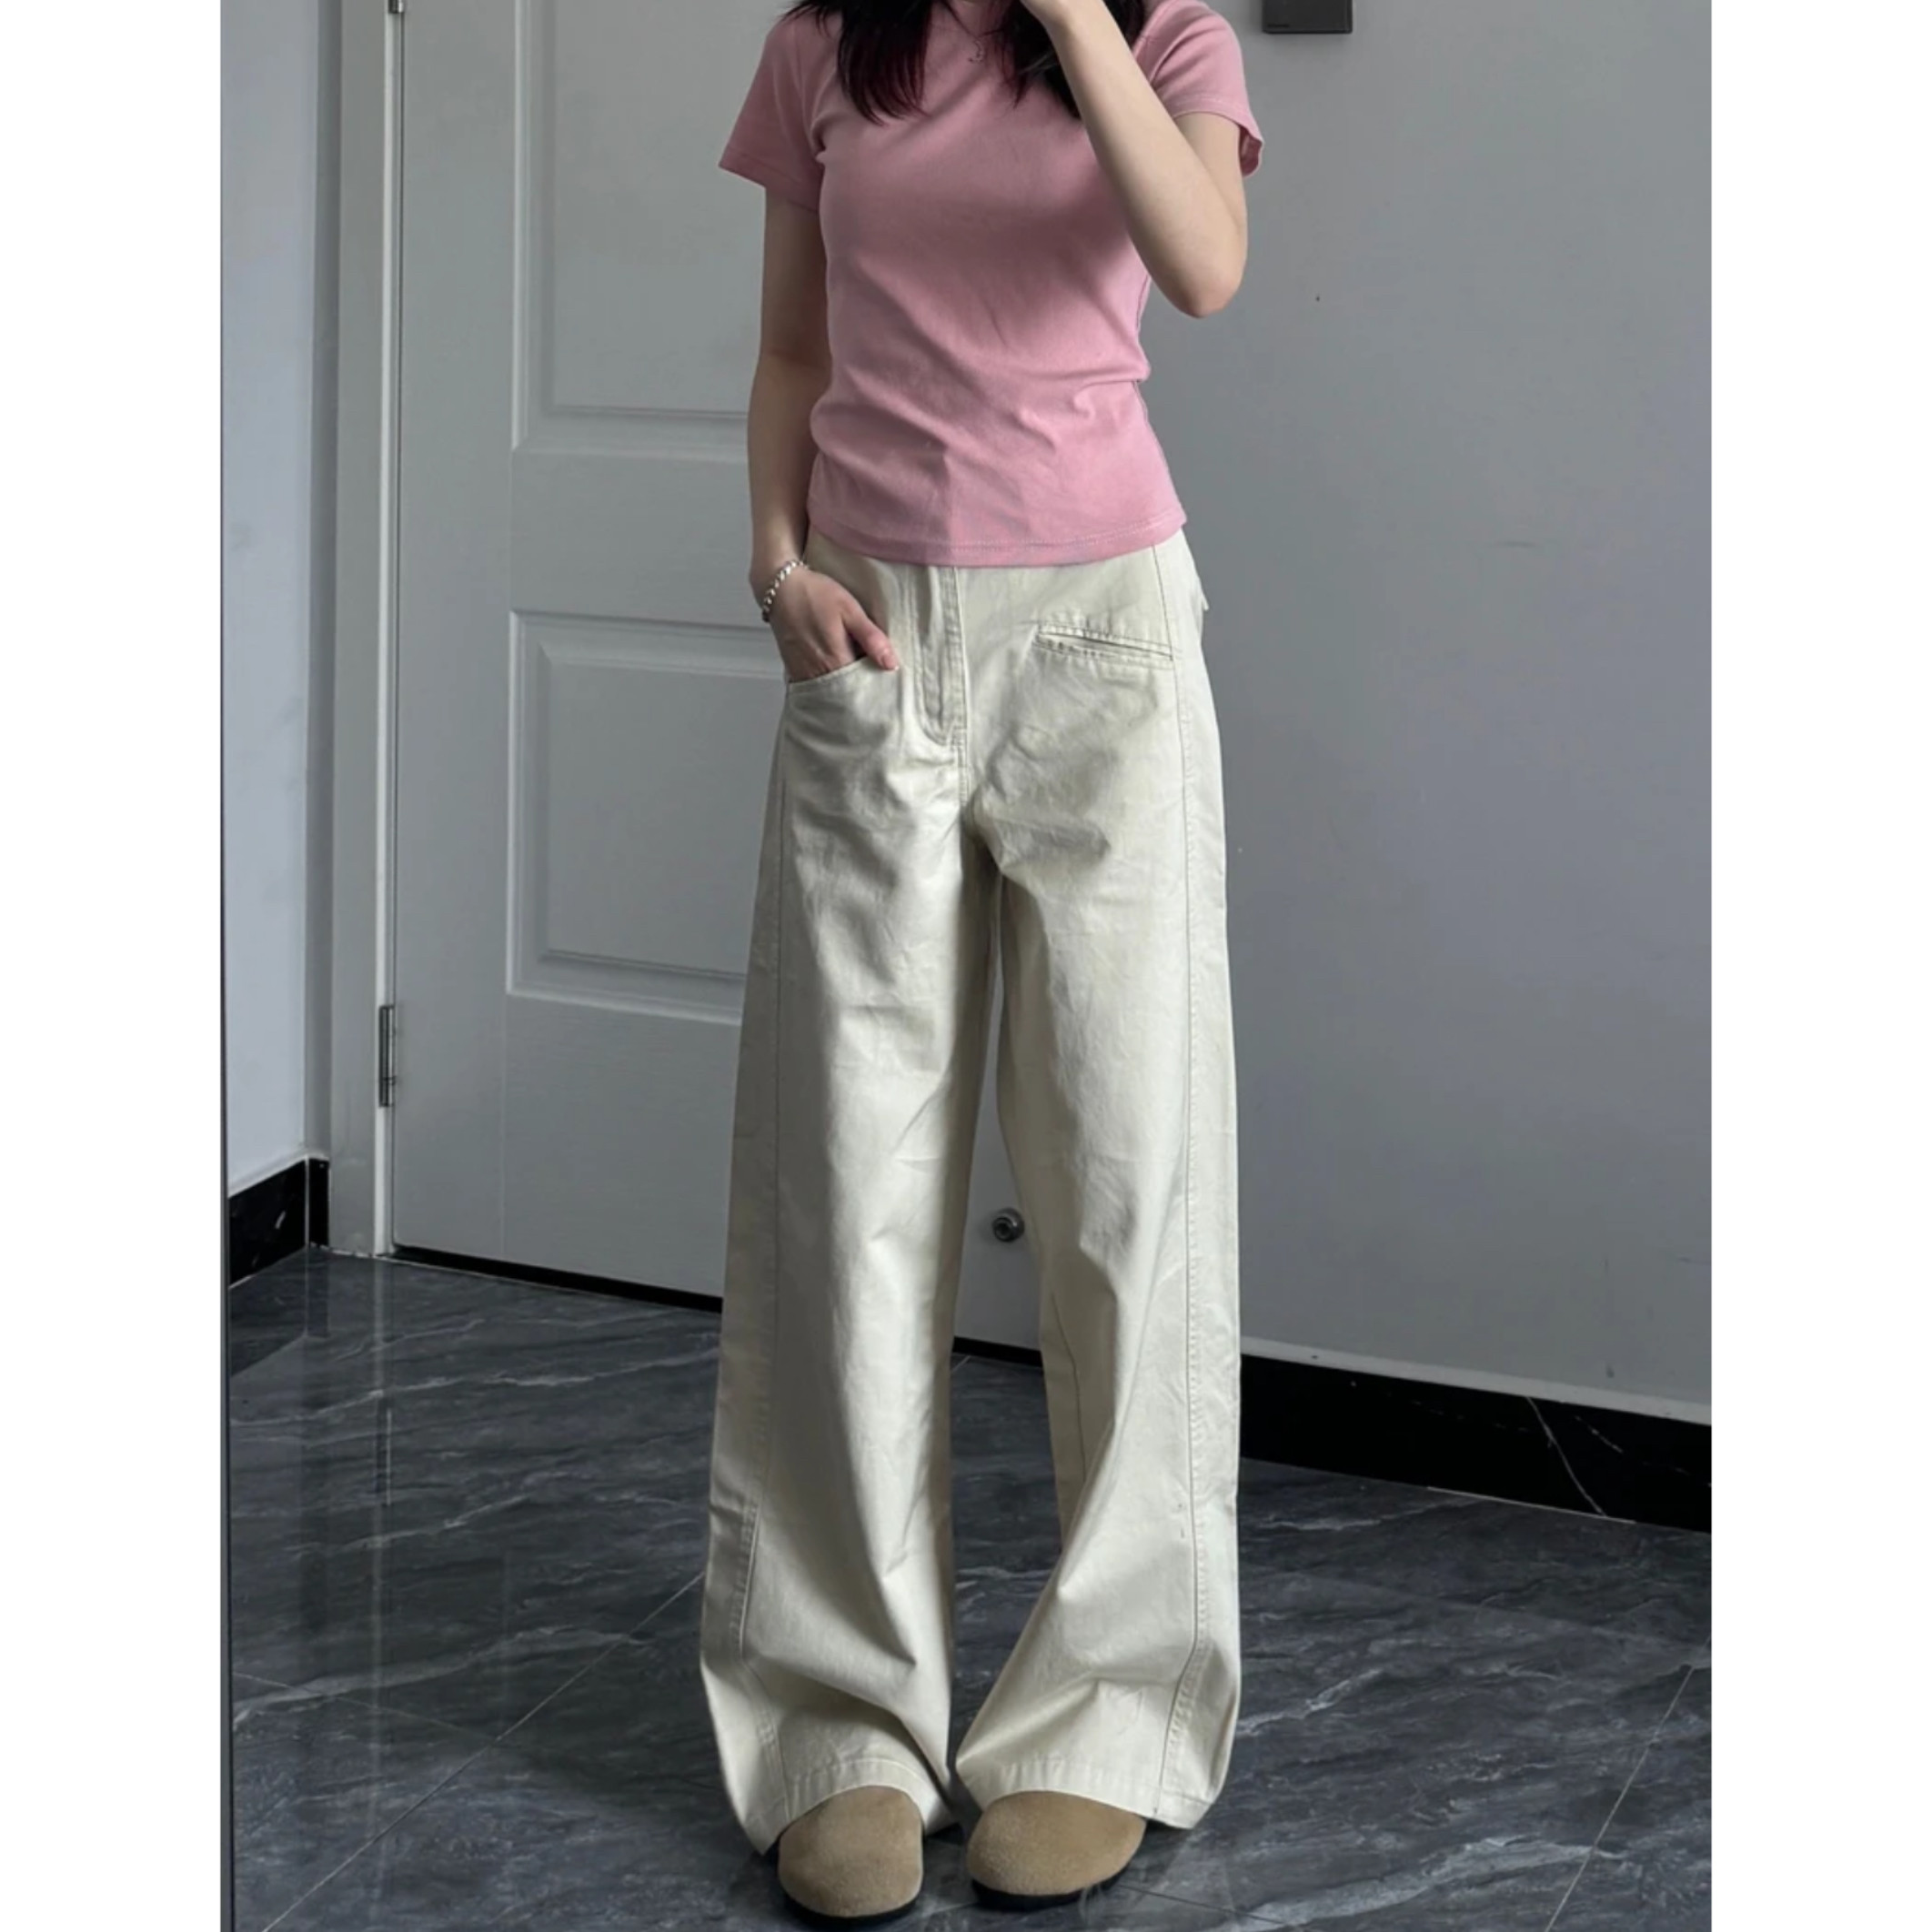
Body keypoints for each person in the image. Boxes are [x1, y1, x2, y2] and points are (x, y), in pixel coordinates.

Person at [699, 1, 1262, 1919]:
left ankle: (1110, 1715)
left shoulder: (1169, 35)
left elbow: (1206, 269)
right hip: (869, 634)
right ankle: (838, 1725)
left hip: (1105, 644)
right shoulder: (820, 45)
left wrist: (1077, 16)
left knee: (1121, 1180)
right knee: (843, 1186)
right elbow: (793, 347)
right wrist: (776, 564)